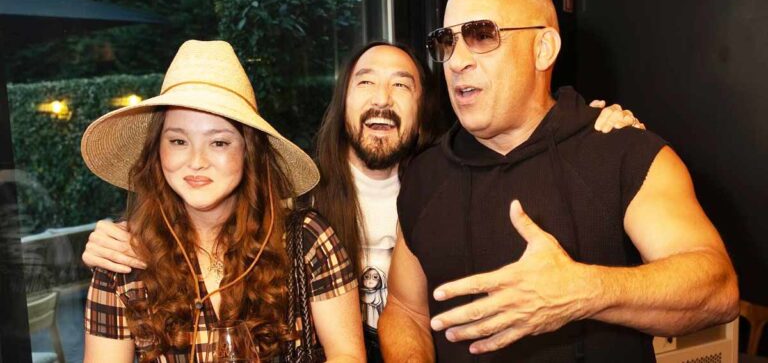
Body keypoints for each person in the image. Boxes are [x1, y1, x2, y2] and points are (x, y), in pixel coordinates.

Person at [81, 41, 641, 361]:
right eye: (365, 82)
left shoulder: (453, 185)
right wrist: (114, 240)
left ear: (424, 106)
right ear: (342, 101)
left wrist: (591, 129)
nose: (381, 98)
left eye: (402, 84)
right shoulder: (302, 203)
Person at [378, 0, 739, 363]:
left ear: (543, 48)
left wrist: (582, 291)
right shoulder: (425, 175)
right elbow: (406, 310)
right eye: (446, 42)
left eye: (481, 35)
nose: (457, 60)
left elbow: (718, 291)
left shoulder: (623, 152)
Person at [80, 40, 364, 363]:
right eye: (178, 141)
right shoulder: (122, 259)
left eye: (218, 142)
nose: (196, 161)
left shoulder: (307, 239)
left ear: (248, 151)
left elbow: (348, 355)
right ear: (157, 152)